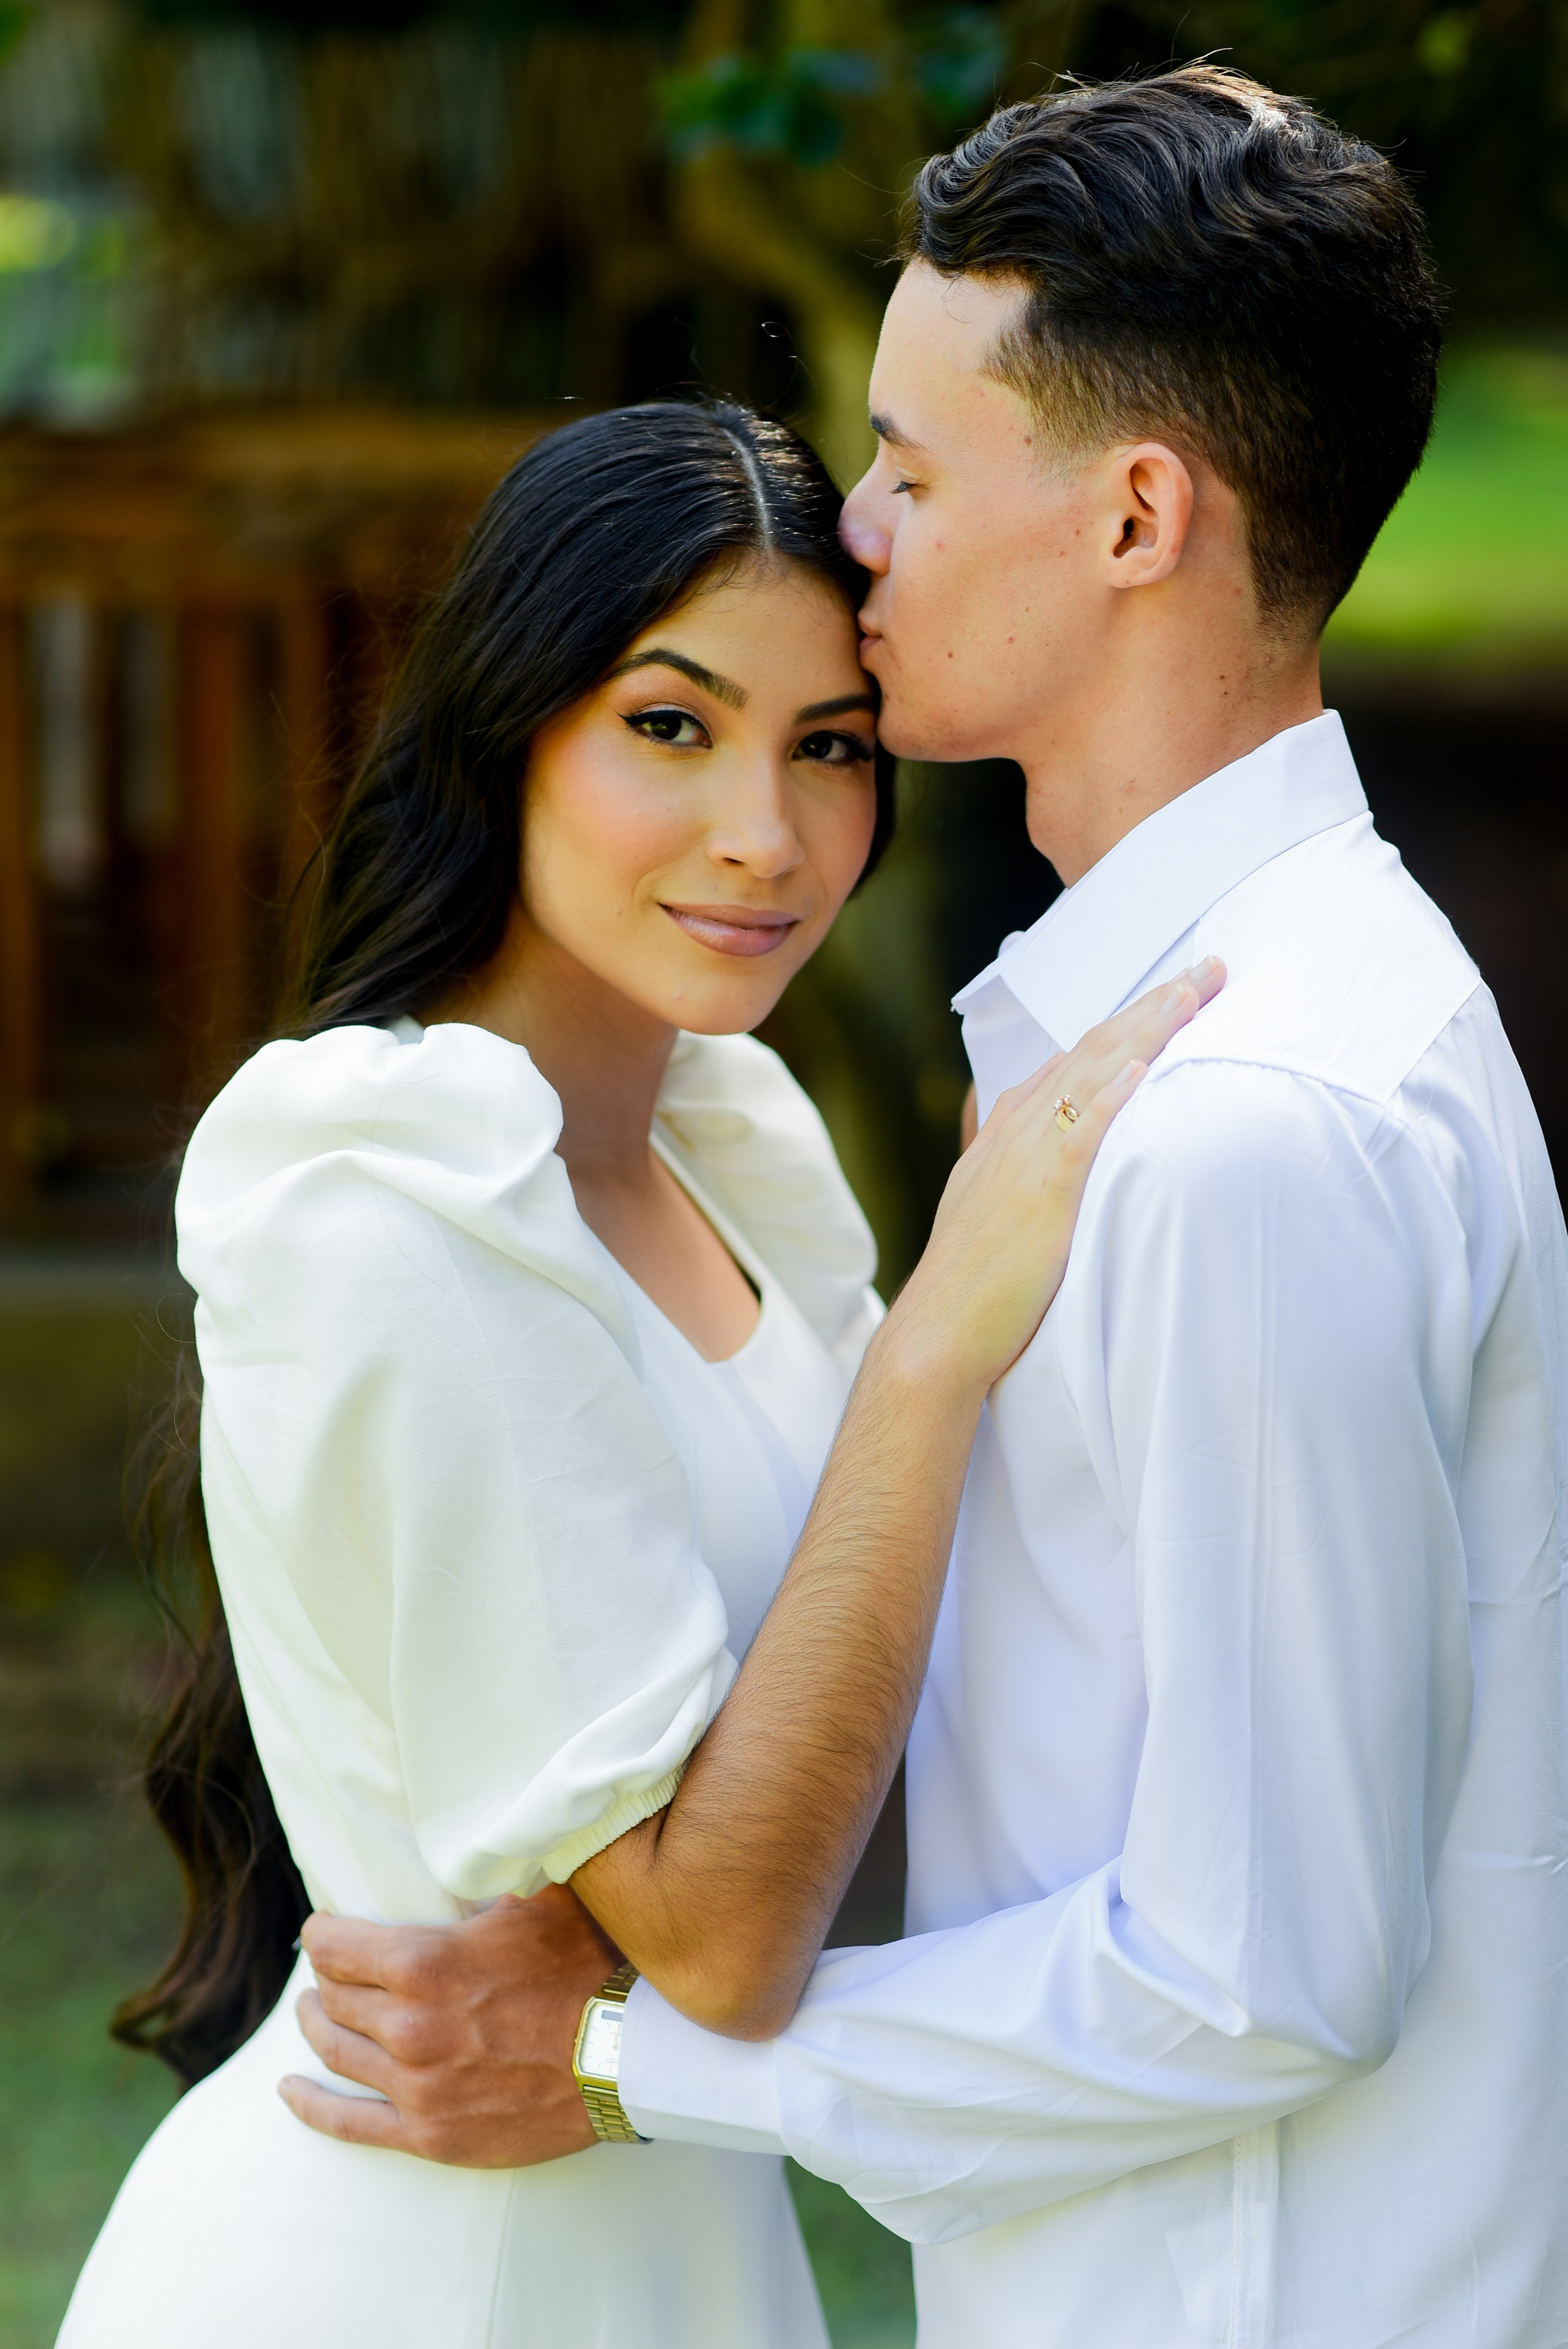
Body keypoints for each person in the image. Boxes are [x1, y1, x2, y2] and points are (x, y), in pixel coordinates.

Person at [282, 65, 1568, 2349]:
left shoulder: (1247, 1125)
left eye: (911, 465)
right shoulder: (1230, 1027)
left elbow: (1263, 1970)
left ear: (1137, 515)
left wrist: (622, 2061)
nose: (857, 533)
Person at [58, 400, 1212, 2348]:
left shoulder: (723, 1154)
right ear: (507, 729)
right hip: (420, 2274)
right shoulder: (395, 1199)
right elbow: (728, 1936)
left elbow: (883, 1773)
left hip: (673, 2246)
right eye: (671, 725)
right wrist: (937, 1347)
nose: (766, 832)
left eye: (829, 745)